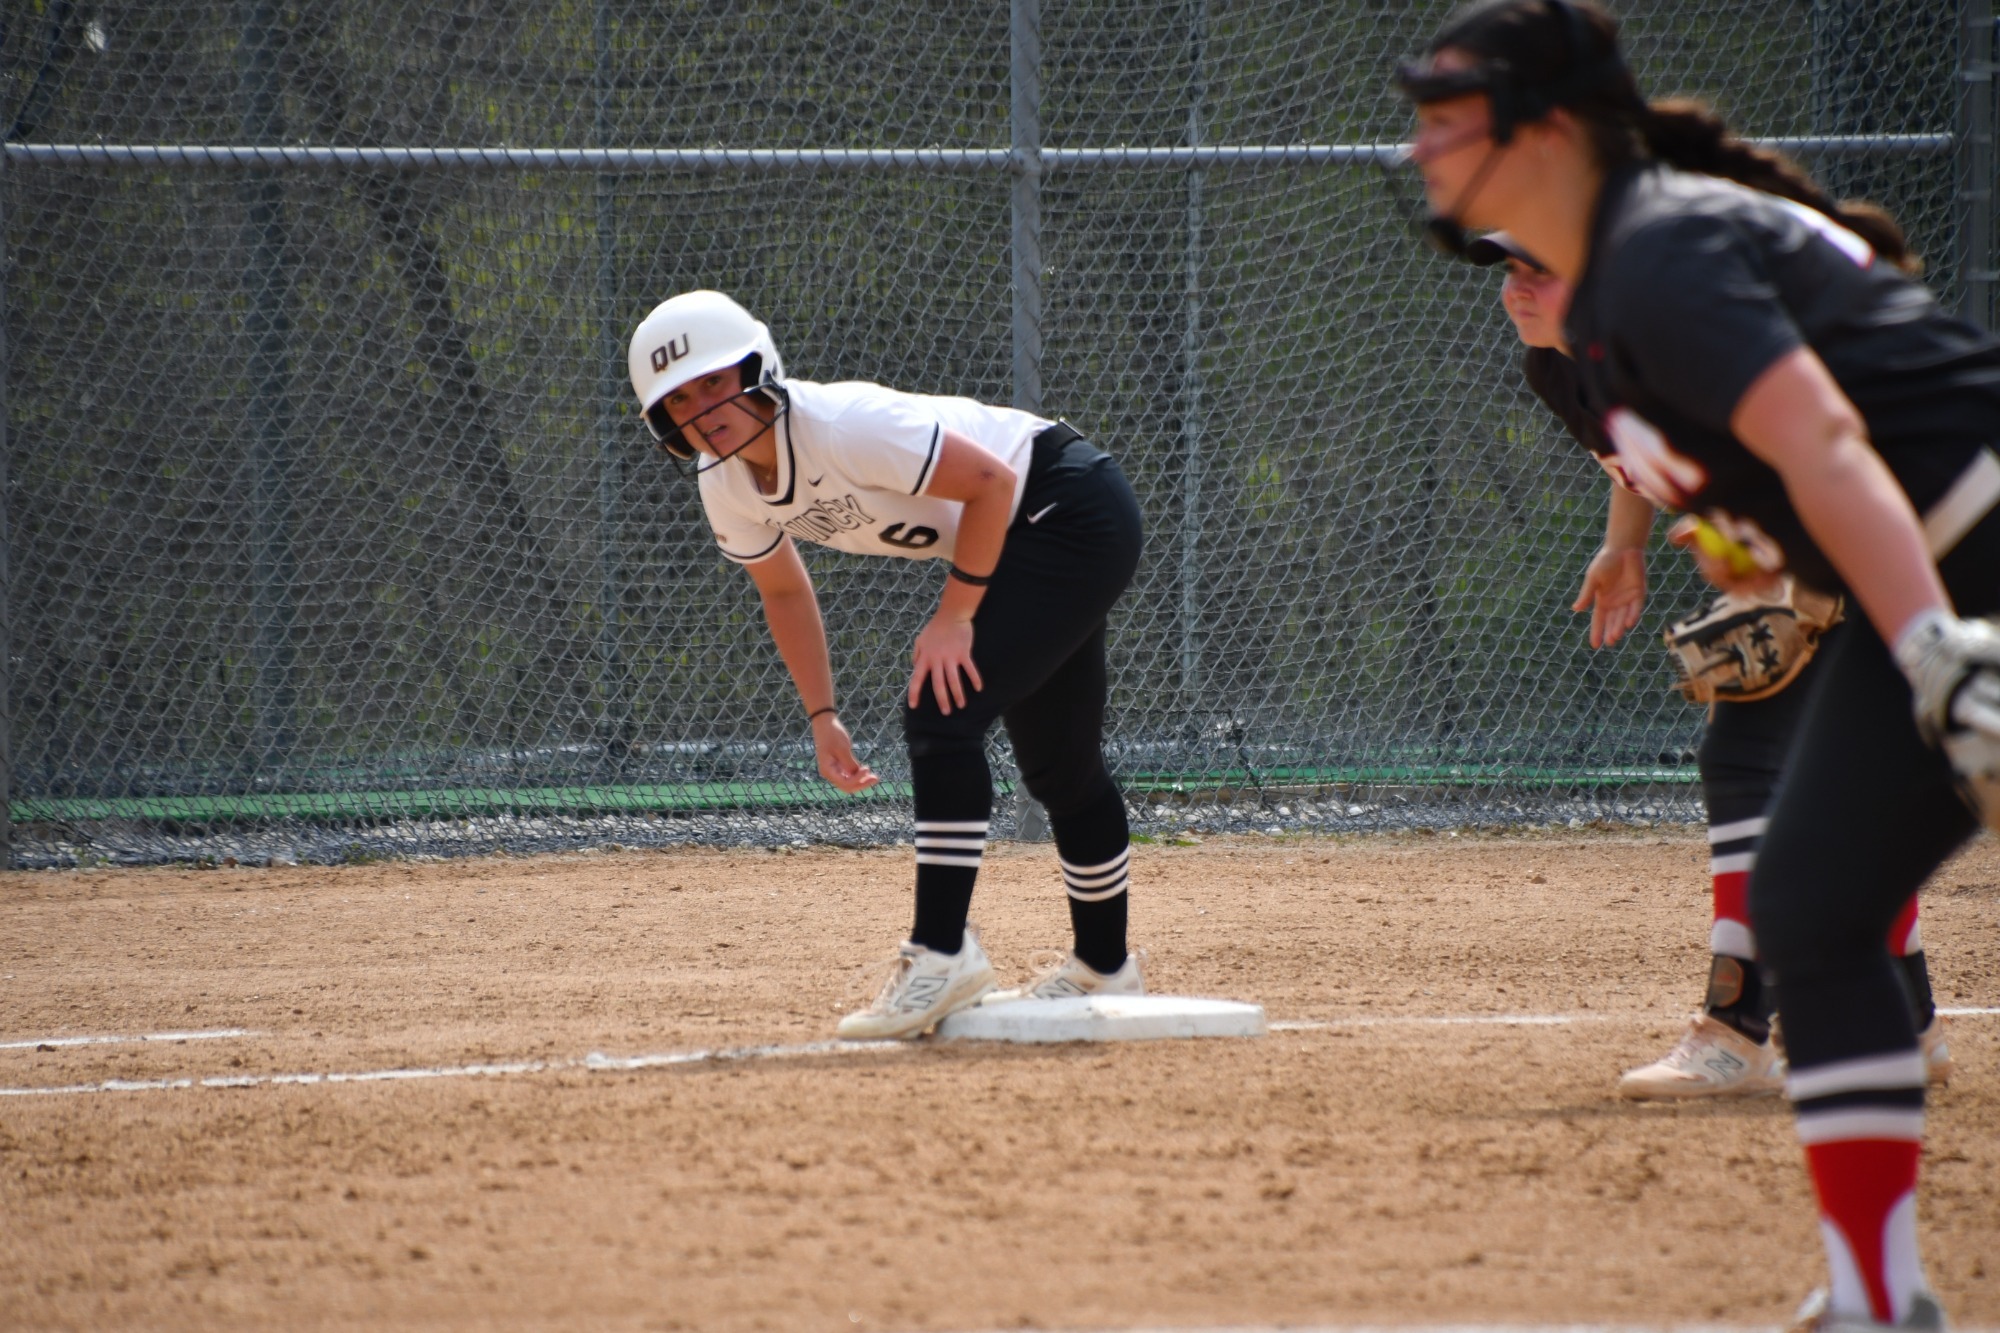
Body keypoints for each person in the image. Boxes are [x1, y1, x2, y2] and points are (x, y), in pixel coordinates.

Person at [1398, 2, 2000, 1327]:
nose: (1421, 148)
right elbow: (1782, 466)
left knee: (1813, 896)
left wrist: (1934, 651)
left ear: (1546, 132)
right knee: (1813, 905)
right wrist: (1757, 552)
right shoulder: (1611, 307)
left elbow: (1832, 441)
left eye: (1447, 120)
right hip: (1935, 580)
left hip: (1968, 564)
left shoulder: (1658, 253)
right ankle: (1878, 1298)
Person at [1466, 230, 1952, 1101]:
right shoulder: (1559, 368)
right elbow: (1637, 463)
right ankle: (1904, 1025)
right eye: (1511, 271)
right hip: (1816, 543)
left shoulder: (1672, 355)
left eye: (1542, 271)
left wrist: (1780, 556)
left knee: (1744, 759)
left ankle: (1735, 1030)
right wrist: (1625, 545)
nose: (1517, 290)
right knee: (1836, 789)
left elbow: (1812, 446)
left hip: (1883, 533)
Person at [626, 290, 1147, 1039]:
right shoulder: (724, 482)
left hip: (1066, 506)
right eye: (678, 400)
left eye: (714, 382)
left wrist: (955, 617)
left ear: (757, 368)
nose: (702, 410)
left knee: (941, 706)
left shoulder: (839, 426)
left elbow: (993, 483)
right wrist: (822, 715)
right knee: (1060, 767)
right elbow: (783, 588)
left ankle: (942, 952)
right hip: (1021, 533)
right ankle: (1105, 965)